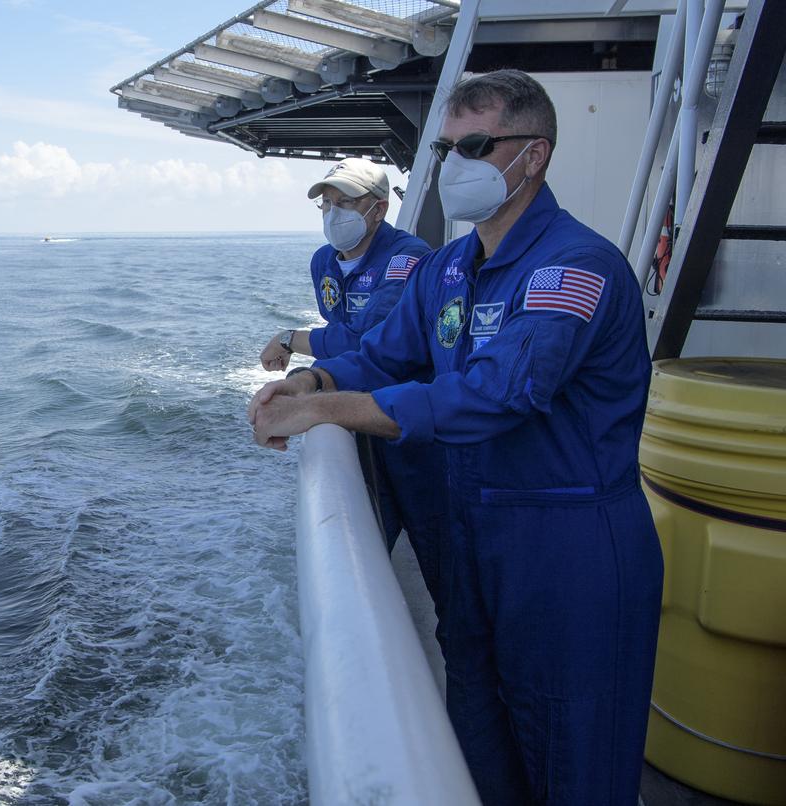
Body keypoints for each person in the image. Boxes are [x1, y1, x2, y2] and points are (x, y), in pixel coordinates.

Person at [248, 69, 663, 805]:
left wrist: (331, 412)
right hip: (475, 533)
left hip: (567, 551)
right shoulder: (448, 269)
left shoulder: (574, 267)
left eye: (474, 146)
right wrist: (312, 383)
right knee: (476, 731)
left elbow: (500, 392)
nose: (454, 168)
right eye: (444, 151)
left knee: (572, 755)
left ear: (531, 156)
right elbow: (382, 355)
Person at [260, 158, 450, 634]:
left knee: (438, 546)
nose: (333, 212)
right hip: (355, 411)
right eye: (327, 203)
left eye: (346, 202)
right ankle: (359, 628)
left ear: (378, 208)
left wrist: (292, 340)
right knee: (365, 534)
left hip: (413, 425)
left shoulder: (410, 258)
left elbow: (372, 338)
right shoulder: (323, 261)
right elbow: (344, 331)